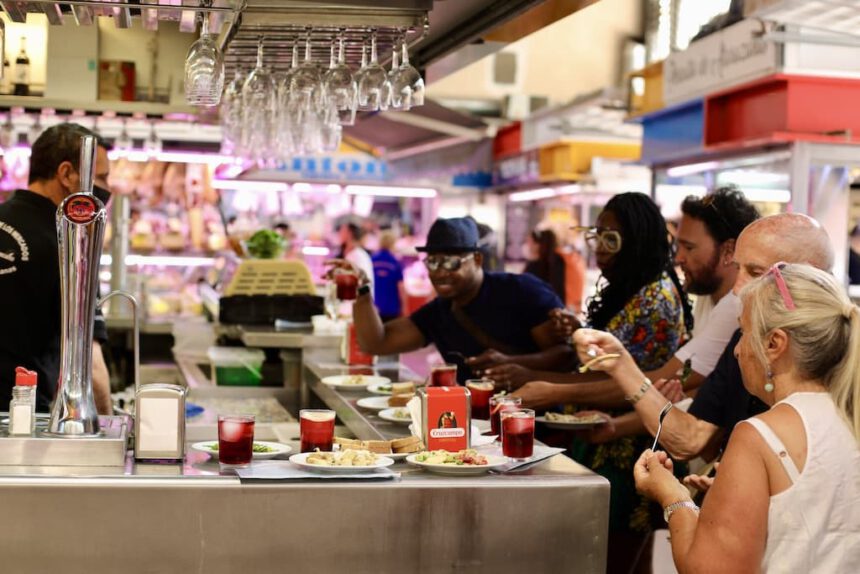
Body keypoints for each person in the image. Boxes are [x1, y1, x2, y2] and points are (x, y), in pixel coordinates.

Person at [579, 263, 860, 572]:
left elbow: (710, 569)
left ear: (774, 344)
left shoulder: (760, 436)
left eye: (744, 332)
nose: (738, 350)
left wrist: (673, 495)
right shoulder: (848, 417)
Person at [594, 214, 835, 476]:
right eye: (738, 269)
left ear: (810, 276)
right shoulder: (744, 339)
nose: (737, 289)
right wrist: (620, 366)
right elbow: (691, 437)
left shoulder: (838, 356)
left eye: (755, 273)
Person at [507, 187, 759, 405]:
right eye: (598, 238)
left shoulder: (729, 305)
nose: (678, 257)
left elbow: (660, 380)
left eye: (689, 247)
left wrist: (549, 387)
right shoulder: (707, 295)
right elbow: (680, 390)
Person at [326, 217, 572, 383]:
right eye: (432, 261)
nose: (440, 271)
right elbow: (376, 343)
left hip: (537, 426)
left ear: (476, 259)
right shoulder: (440, 311)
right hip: (476, 428)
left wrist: (515, 365)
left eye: (451, 262)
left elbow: (565, 354)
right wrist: (361, 293)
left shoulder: (522, 291)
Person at [0, 123, 112, 414]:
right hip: (22, 420)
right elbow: (90, 364)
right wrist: (109, 428)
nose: (107, 188)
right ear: (66, 174)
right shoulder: (74, 245)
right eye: (100, 177)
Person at [371, 231, 406, 323]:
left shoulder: (372, 260)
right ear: (393, 243)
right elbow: (401, 287)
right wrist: (404, 306)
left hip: (374, 306)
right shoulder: (395, 262)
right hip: (391, 307)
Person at [523, 229, 566, 300]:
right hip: (555, 306)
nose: (528, 245)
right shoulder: (558, 261)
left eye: (529, 242)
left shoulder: (534, 267)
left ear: (537, 245)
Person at [337, 221, 373, 290]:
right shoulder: (349, 254)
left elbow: (364, 282)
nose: (339, 234)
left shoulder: (358, 256)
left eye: (342, 231)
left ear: (349, 234)